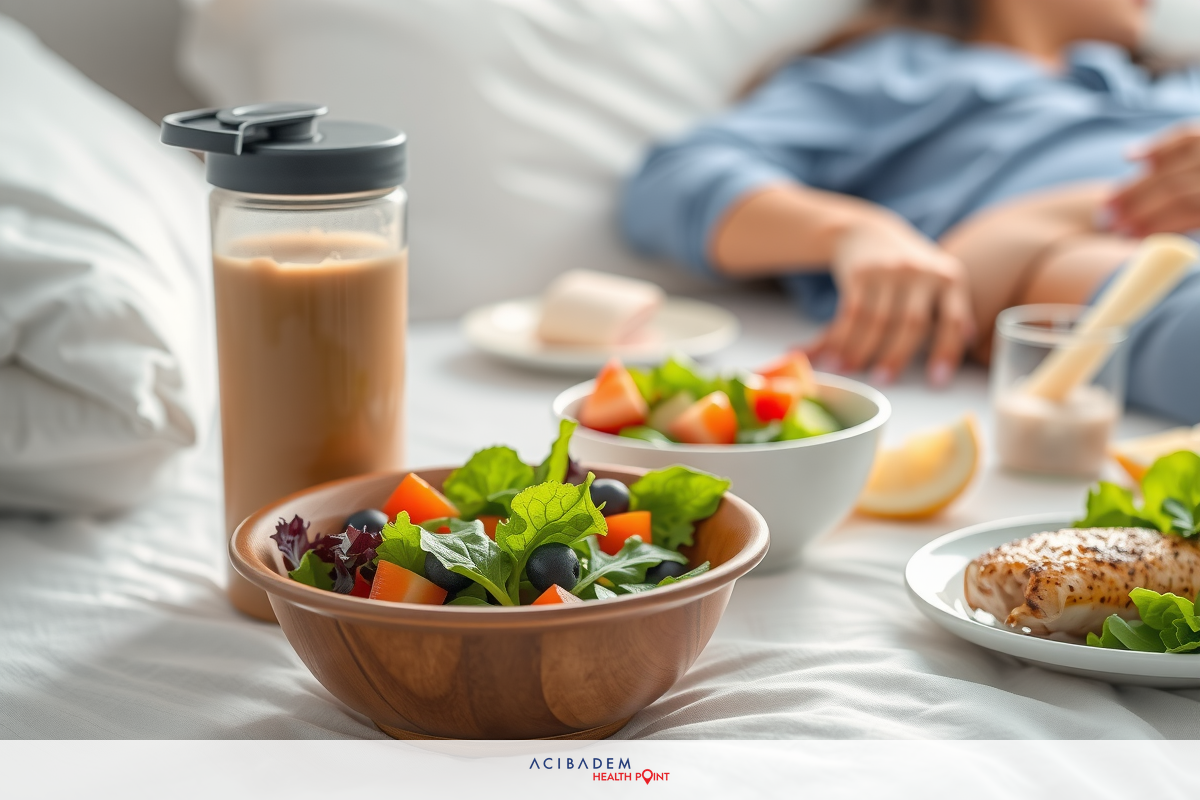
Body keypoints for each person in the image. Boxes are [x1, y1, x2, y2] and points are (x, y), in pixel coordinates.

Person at [621, 0, 1200, 423]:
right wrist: (857, 231)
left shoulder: (1176, 86)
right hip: (1077, 259)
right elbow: (672, 180)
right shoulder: (899, 73)